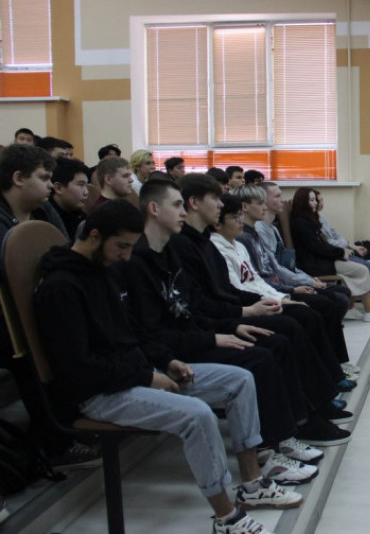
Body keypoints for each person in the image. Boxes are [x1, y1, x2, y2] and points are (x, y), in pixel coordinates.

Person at [35, 200, 302, 534]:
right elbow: (79, 368)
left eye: (131, 247)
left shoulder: (104, 271)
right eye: (122, 246)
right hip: (97, 392)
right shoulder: (61, 288)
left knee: (240, 379)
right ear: (94, 235)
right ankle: (227, 518)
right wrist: (148, 377)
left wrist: (166, 361)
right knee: (197, 415)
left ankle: (252, 484)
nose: (126, 256)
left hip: (135, 373)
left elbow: (134, 333)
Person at [118, 179, 324, 473]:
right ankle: (269, 450)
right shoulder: (139, 261)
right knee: (261, 356)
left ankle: (287, 434)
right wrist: (216, 336)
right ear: (154, 209)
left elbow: (188, 311)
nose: (182, 212)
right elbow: (155, 331)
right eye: (176, 205)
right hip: (173, 353)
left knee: (275, 340)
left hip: (192, 335)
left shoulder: (169, 252)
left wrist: (231, 326)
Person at [169, 174, 352, 446]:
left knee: (300, 317)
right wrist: (245, 313)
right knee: (285, 331)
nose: (220, 204)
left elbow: (232, 288)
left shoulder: (206, 241)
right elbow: (201, 303)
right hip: (217, 321)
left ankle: (318, 403)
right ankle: (302, 420)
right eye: (215, 199)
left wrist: (269, 301)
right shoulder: (186, 246)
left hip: (230, 310)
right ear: (194, 203)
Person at [0, 144, 100, 469]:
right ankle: (57, 442)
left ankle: (74, 422)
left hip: (37, 308)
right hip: (8, 325)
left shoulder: (42, 213)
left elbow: (62, 252)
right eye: (43, 178)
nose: (49, 185)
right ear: (18, 178)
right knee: (41, 350)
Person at [233, 185, 353, 370]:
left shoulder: (259, 232)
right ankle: (330, 364)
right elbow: (261, 277)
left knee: (335, 297)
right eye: (274, 197)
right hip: (273, 291)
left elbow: (278, 265)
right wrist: (290, 291)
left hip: (280, 287)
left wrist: (302, 282)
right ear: (244, 207)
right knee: (324, 305)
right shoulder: (246, 237)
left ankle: (333, 362)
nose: (281, 200)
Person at [289, 187, 370, 324]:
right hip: (314, 265)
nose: (316, 203)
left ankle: (350, 308)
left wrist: (341, 252)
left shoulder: (308, 220)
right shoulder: (301, 224)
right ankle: (369, 311)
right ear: (302, 202)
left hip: (320, 260)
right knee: (362, 270)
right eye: (312, 200)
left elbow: (323, 244)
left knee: (358, 269)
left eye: (316, 200)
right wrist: (340, 253)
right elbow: (318, 248)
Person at [316, 190, 370, 316]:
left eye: (321, 200)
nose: (320, 203)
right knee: (365, 267)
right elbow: (329, 242)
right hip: (332, 258)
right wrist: (344, 245)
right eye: (317, 200)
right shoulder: (311, 222)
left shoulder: (322, 217)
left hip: (339, 253)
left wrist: (351, 246)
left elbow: (336, 235)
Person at [49, 157, 90, 242]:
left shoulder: (83, 218)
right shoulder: (45, 218)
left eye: (86, 185)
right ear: (59, 188)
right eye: (80, 185)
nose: (86, 192)